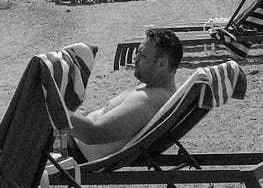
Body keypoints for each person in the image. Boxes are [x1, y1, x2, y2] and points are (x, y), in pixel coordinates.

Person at [66, 27, 182, 159]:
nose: (136, 58)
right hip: (70, 140)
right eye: (138, 52)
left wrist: (57, 111)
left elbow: (94, 134)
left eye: (142, 55)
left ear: (162, 63)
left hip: (70, 151)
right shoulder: (156, 92)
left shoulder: (146, 101)